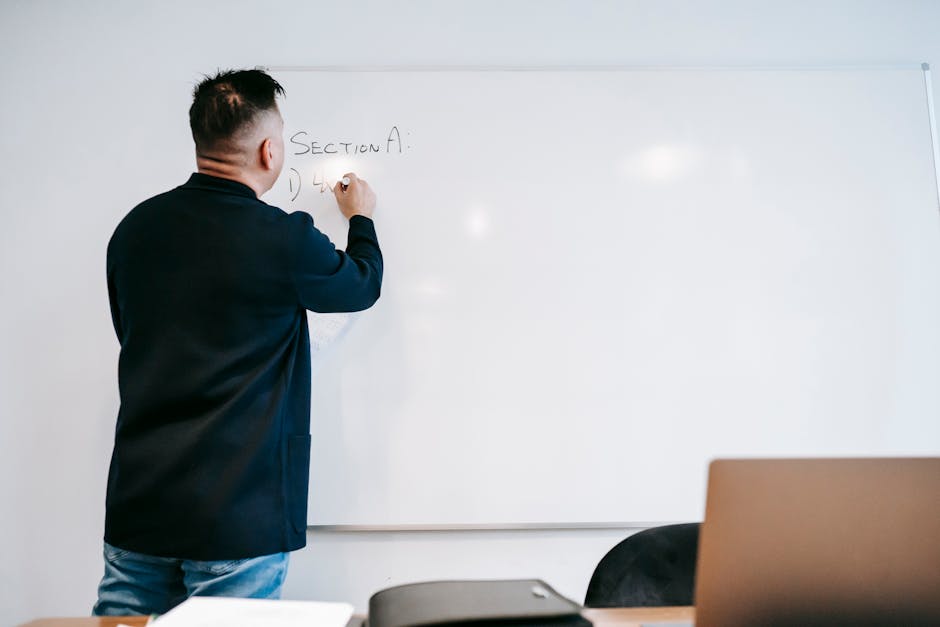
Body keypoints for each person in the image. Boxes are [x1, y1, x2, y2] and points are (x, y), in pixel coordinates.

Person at [93, 69, 383, 615]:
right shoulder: (283, 239)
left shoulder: (134, 230)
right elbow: (361, 285)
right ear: (270, 151)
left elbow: (130, 333)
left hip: (140, 507)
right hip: (239, 516)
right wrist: (360, 220)